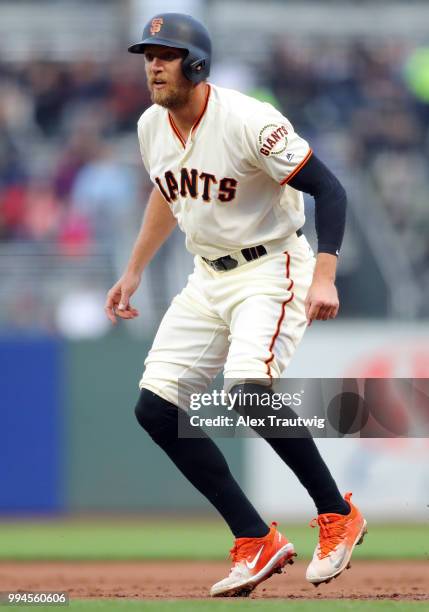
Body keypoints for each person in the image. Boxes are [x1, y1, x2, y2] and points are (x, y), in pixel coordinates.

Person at [105, 12, 367, 598]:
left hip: (272, 266)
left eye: (165, 54)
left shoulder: (250, 120)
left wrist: (324, 276)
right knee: (155, 410)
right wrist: (134, 270)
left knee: (248, 390)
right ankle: (255, 537)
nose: (152, 64)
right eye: (147, 54)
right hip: (207, 276)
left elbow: (329, 188)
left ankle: (336, 513)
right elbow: (168, 193)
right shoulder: (152, 126)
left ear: (196, 64)